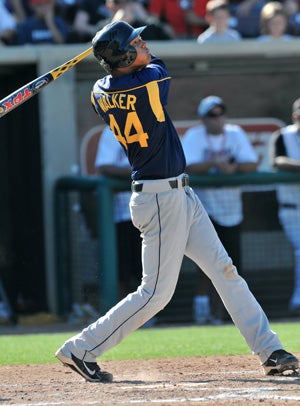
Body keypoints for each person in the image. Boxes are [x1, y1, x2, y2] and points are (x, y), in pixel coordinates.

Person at [55, 20, 298, 382]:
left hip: (176, 193)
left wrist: (111, 48)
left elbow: (111, 78)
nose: (144, 43)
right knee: (154, 293)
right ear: (122, 56)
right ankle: (81, 348)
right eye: (135, 42)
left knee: (223, 269)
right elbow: (153, 63)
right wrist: (111, 45)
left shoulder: (99, 92)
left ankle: (270, 350)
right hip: (159, 198)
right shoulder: (151, 79)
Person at [181, 95, 259, 325]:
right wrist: (215, 164)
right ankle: (202, 308)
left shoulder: (235, 133)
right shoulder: (195, 135)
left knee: (229, 265)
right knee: (203, 264)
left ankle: (222, 314)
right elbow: (187, 165)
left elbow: (251, 163)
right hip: (202, 209)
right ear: (203, 119)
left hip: (231, 209)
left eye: (220, 114)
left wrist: (233, 168)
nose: (217, 119)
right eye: (211, 115)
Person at [94, 125, 142, 299]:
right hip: (122, 213)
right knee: (121, 268)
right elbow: (104, 166)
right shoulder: (113, 130)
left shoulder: (152, 125)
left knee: (147, 269)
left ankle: (148, 315)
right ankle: (121, 312)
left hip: (152, 211)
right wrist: (138, 172)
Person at [269, 98, 300, 316]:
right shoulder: (282, 135)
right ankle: (298, 301)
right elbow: (277, 161)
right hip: (292, 208)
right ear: (294, 115)